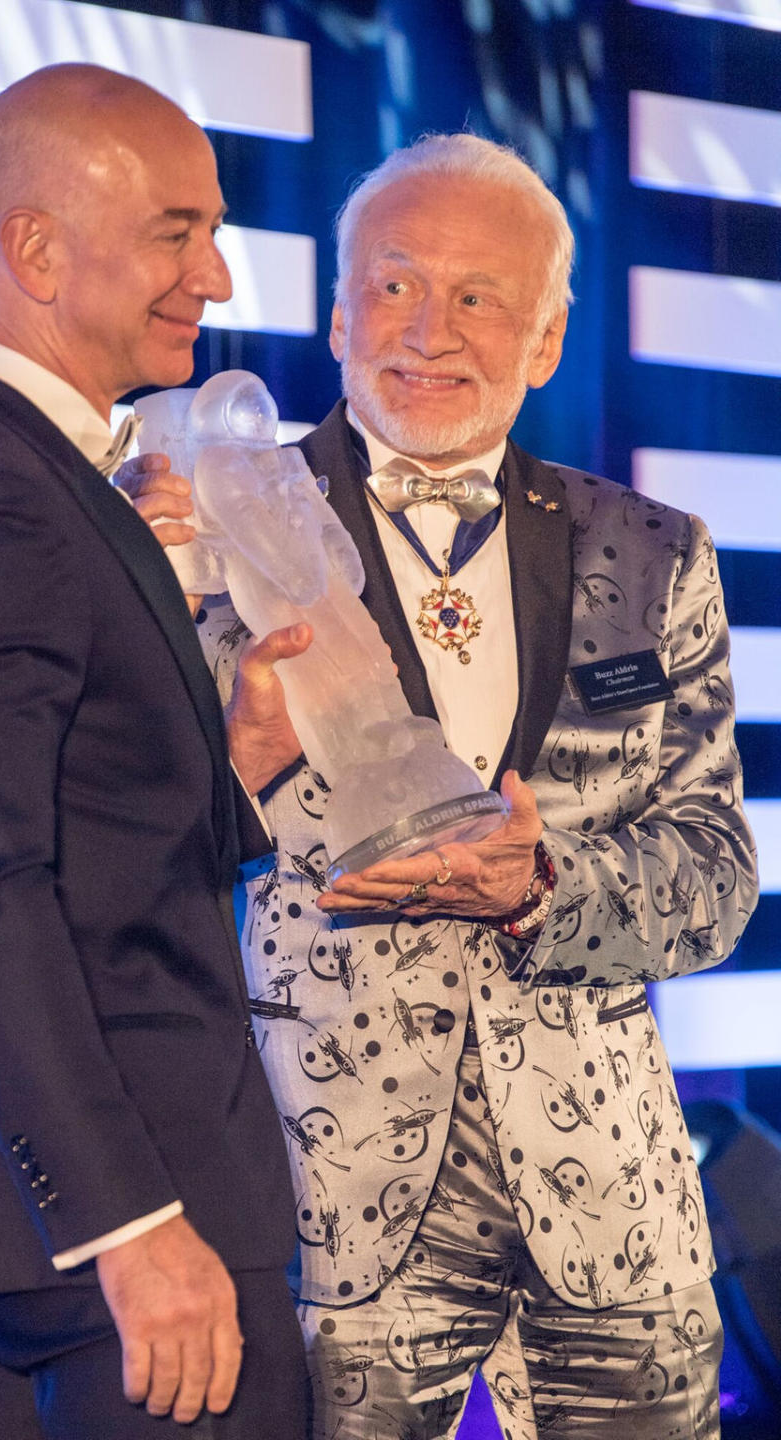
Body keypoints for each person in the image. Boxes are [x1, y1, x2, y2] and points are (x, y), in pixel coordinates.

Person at [180, 135, 758, 1438]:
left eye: (478, 297)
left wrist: (548, 881)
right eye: (394, 287)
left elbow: (718, 874)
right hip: (322, 1203)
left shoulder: (657, 549)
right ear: (335, 313)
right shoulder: (204, 526)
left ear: (547, 341)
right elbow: (116, 850)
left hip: (618, 1215)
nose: (427, 331)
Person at [0, 63, 309, 1440]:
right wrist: (133, 1227)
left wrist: (235, 782)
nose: (214, 274)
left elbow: (65, 843)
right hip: (127, 1233)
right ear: (35, 248)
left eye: (212, 230)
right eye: (175, 230)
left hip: (52, 1246)